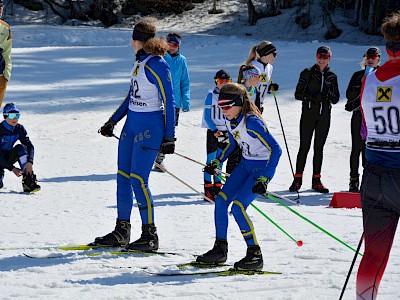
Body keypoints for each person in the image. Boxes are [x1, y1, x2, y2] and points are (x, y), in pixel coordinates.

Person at [91, 17, 175, 251]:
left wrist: (170, 136)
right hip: (132, 125)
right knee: (123, 178)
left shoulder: (158, 64)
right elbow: (131, 96)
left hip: (150, 126)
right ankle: (122, 230)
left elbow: (169, 101)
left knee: (139, 179)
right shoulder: (140, 62)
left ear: (136, 40)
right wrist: (112, 121)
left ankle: (150, 235)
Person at [197, 83, 282, 270]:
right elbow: (232, 144)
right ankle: (220, 249)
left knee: (238, 208)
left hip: (261, 169)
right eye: (221, 107)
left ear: (238, 103)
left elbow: (276, 150)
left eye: (226, 107)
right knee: (220, 202)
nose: (223, 111)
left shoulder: (252, 123)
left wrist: (265, 178)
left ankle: (254, 254)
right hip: (245, 165)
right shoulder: (231, 119)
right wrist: (217, 161)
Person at [356, 12, 400, 300]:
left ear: (386, 48)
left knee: (373, 254)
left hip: (373, 174)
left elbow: (364, 128)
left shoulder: (369, 79)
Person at [289, 45, 340, 193]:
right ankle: (297, 179)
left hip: (324, 116)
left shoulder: (332, 76)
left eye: (325, 57)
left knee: (319, 148)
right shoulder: (307, 73)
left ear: (329, 58)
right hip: (308, 114)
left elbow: (336, 98)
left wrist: (328, 96)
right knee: (304, 146)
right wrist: (312, 97)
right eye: (319, 56)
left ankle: (316, 180)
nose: (322, 60)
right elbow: (298, 94)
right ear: (316, 57)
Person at [345, 47, 381, 193]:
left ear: (378, 59)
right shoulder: (357, 75)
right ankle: (353, 180)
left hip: (374, 118)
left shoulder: (381, 76)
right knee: (356, 148)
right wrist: (362, 83)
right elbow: (349, 95)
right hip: (358, 116)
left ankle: (369, 181)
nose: (371, 59)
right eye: (368, 56)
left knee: (370, 150)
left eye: (374, 57)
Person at [154, 32, 190, 172]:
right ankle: (149, 156)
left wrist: (185, 100)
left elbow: (184, 82)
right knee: (157, 130)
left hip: (175, 103)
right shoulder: (161, 58)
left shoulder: (182, 60)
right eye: (169, 44)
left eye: (175, 45)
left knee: (169, 132)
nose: (172, 47)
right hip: (159, 101)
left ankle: (159, 160)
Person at [201, 70, 231, 201]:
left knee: (220, 160)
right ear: (216, 81)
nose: (223, 84)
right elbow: (207, 116)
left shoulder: (231, 94)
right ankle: (208, 188)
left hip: (225, 131)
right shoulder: (211, 95)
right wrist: (214, 130)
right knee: (211, 160)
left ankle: (217, 187)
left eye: (226, 82)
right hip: (214, 131)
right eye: (220, 81)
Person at [226, 64, 262, 174]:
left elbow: (257, 110)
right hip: (237, 126)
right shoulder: (238, 90)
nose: (259, 79)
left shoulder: (255, 91)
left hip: (249, 127)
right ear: (250, 76)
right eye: (257, 76)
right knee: (235, 151)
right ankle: (230, 177)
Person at [0, 103, 40, 193]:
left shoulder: (19, 129)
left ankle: (29, 182)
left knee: (21, 148)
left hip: (8, 156)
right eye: (12, 115)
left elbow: (30, 146)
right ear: (5, 116)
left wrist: (30, 161)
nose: (15, 118)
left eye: (17, 115)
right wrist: (12, 168)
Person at [244, 41, 279, 113]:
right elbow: (245, 87)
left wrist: (269, 87)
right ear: (266, 54)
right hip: (249, 106)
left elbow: (261, 83)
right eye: (274, 54)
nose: (276, 57)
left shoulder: (269, 67)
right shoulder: (252, 67)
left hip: (259, 106)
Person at [0, 0, 12, 108]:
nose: (0, 9)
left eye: (1, 6)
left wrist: (6, 75)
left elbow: (7, 54)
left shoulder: (6, 28)